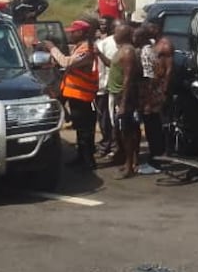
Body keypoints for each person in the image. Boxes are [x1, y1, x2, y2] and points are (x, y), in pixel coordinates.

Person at [42, 20, 99, 171]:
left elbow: (67, 63)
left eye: (73, 32)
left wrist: (52, 48)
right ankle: (81, 157)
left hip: (83, 96)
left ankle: (88, 161)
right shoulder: (80, 47)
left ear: (81, 32)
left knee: (85, 131)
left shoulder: (86, 49)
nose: (70, 34)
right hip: (76, 95)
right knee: (80, 129)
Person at [137, 19, 174, 174]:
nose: (147, 28)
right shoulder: (154, 44)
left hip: (156, 91)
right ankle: (155, 157)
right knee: (151, 125)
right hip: (151, 90)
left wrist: (162, 92)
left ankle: (156, 161)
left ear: (157, 28)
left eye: (150, 26)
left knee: (154, 127)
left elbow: (168, 71)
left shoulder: (164, 45)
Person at [106, 24, 141, 179]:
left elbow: (128, 79)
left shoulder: (127, 52)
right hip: (117, 94)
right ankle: (130, 161)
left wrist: (124, 103)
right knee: (123, 131)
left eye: (116, 32)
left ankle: (129, 166)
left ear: (124, 35)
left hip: (124, 96)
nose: (114, 35)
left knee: (127, 131)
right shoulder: (120, 50)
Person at [94, 19, 122, 159]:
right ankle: (107, 144)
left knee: (117, 119)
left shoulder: (129, 44)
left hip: (121, 88)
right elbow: (100, 69)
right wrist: (100, 87)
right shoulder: (103, 44)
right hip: (105, 87)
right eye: (118, 29)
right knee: (105, 118)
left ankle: (116, 147)